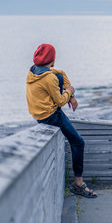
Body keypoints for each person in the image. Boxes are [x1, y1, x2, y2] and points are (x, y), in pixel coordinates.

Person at [26, 43, 97, 198]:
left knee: (58, 75)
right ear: (52, 58)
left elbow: (60, 73)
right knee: (78, 142)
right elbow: (59, 102)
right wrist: (70, 92)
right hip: (50, 115)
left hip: (37, 114)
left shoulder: (33, 71)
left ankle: (78, 183)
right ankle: (78, 184)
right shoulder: (49, 78)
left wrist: (71, 96)